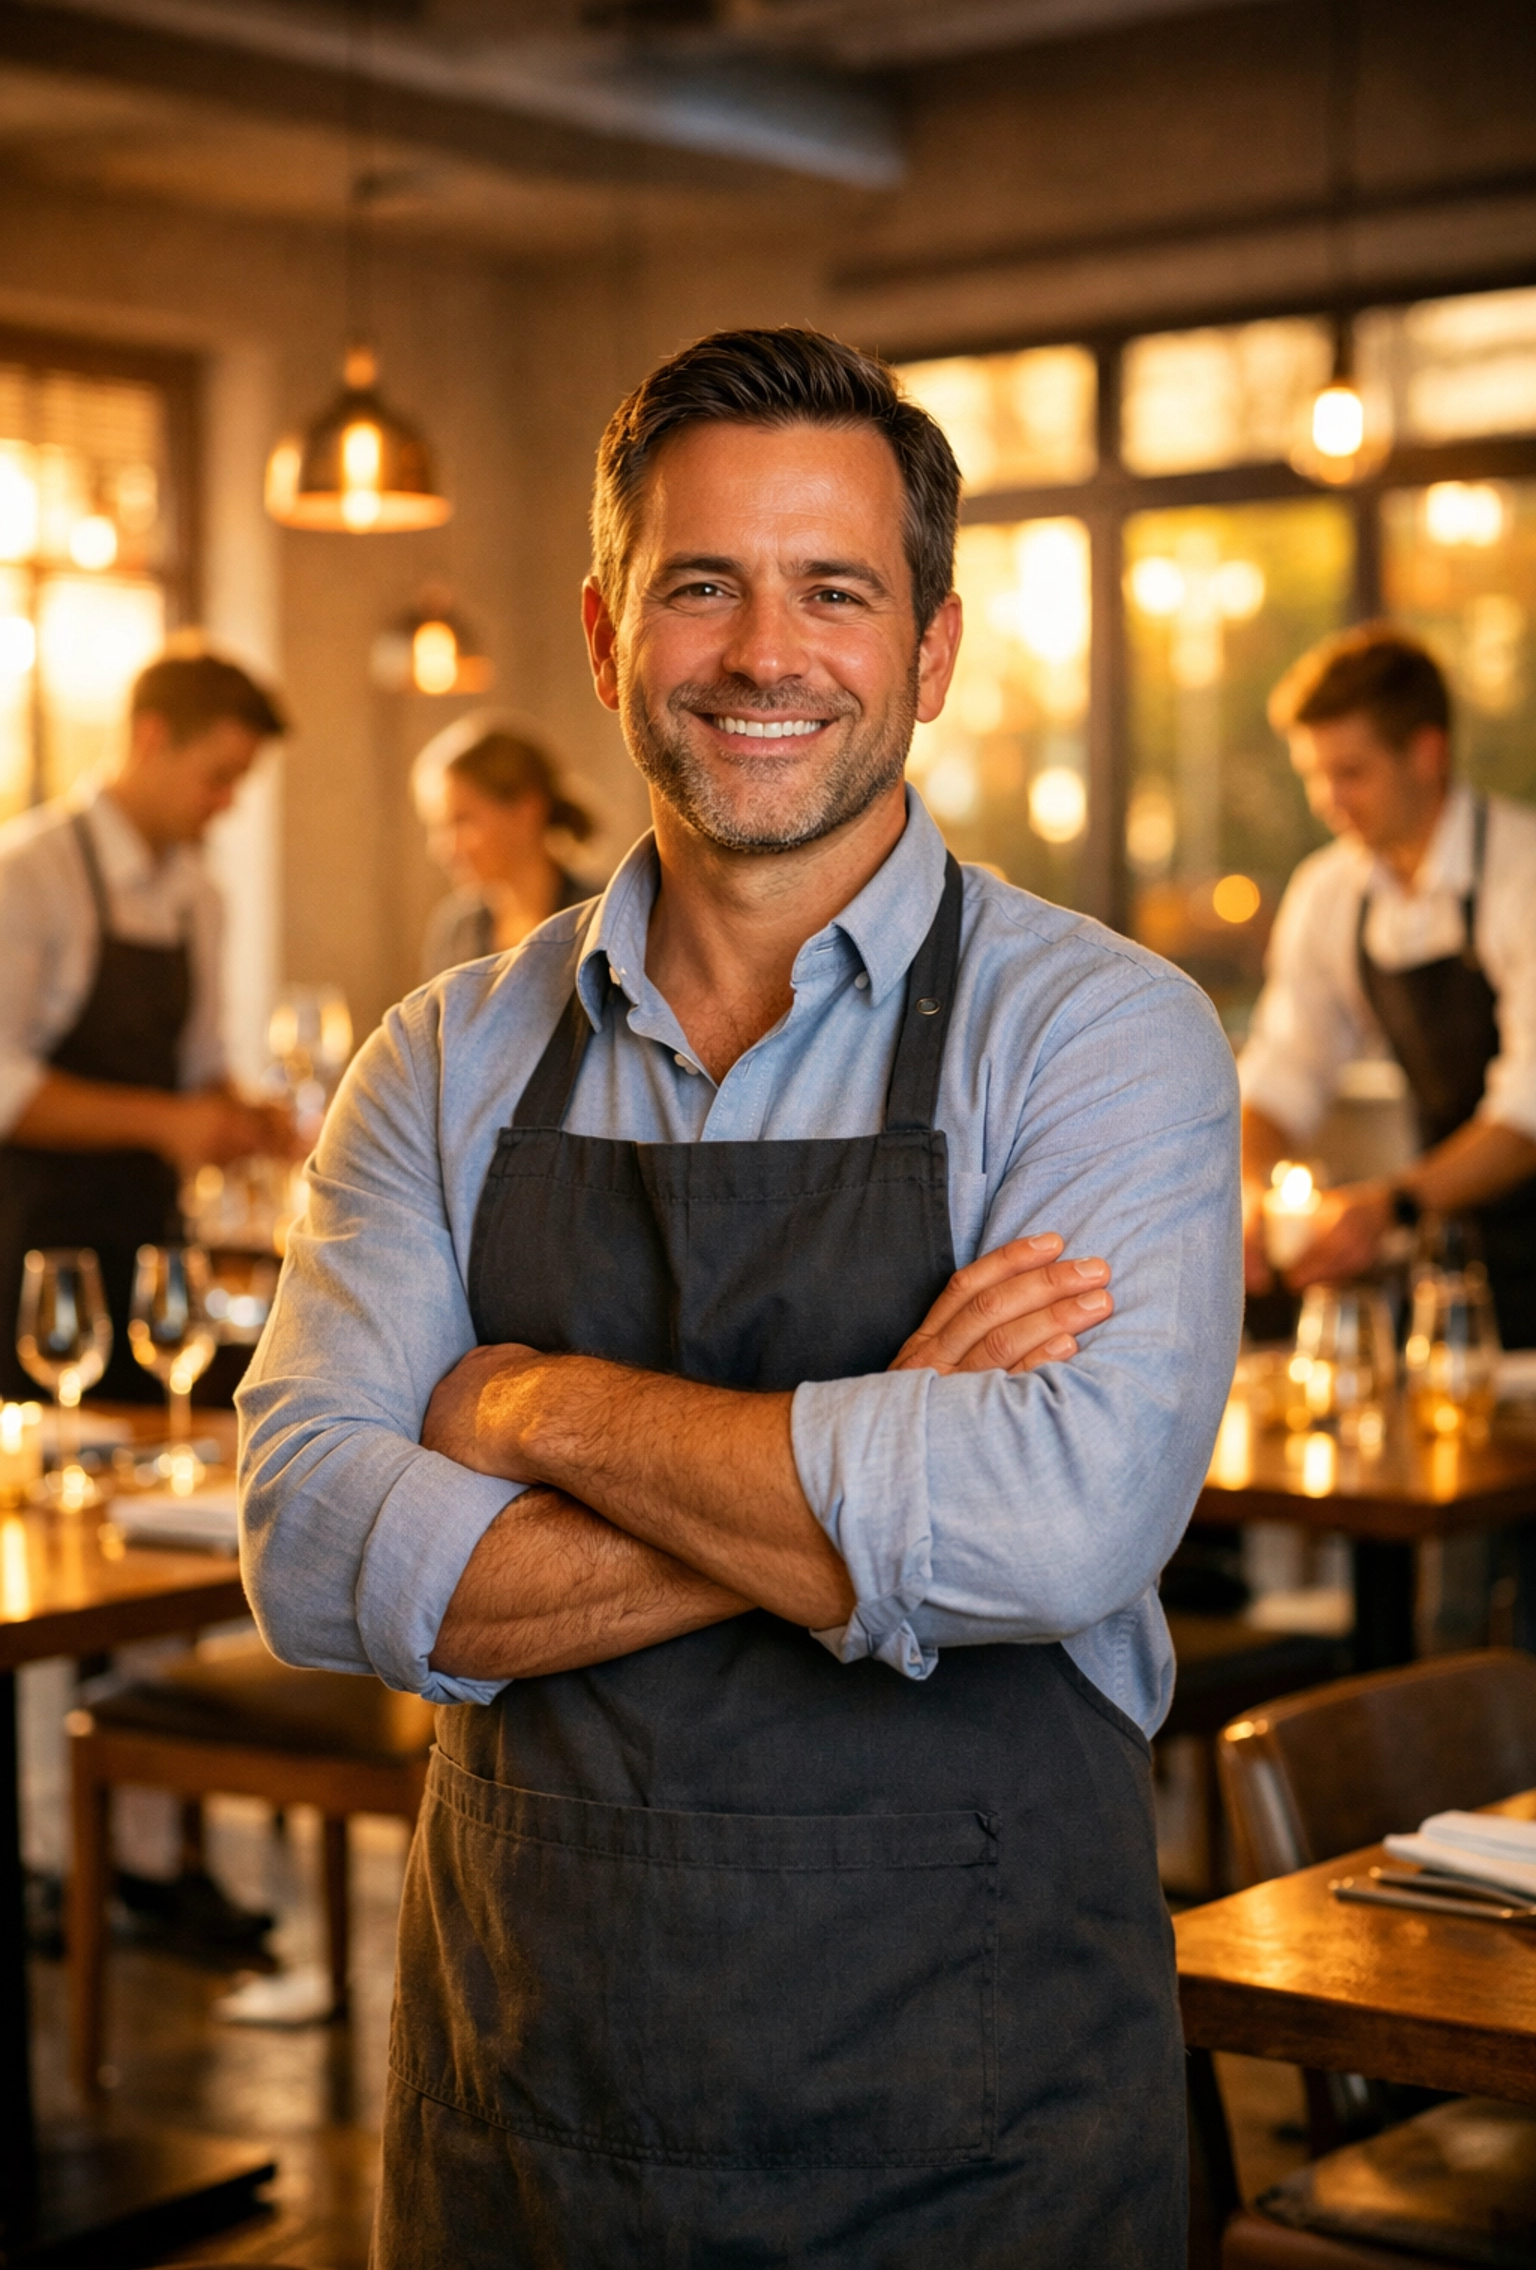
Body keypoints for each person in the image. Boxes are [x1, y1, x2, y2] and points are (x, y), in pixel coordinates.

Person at [241, 327, 1240, 2266]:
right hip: (531, 2117)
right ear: (607, 637)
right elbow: (310, 1546)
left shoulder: (1099, 1031)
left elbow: (1057, 1525)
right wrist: (889, 1442)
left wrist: (527, 1407)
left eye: (833, 591)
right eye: (701, 584)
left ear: (931, 653)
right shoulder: (440, 1057)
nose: (764, 652)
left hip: (980, 2137)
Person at [0, 648, 293, 1401]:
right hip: (26, 1250)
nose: (228, 802)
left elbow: (198, 1065)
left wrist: (247, 1119)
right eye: (218, 776)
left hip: (150, 1249)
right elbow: (4, 1085)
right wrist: (168, 1124)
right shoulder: (27, 874)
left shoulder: (201, 898)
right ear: (151, 737)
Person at [1240, 624, 1536, 1346]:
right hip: (1459, 1262)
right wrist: (1249, 1194)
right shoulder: (1329, 894)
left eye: (1350, 772)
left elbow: (1528, 1113)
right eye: (1314, 774)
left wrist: (1389, 1208)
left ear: (1427, 754)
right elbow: (1283, 1072)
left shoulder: (1523, 872)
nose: (1327, 799)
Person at [414, 712, 595, 979]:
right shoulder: (455, 932)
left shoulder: (600, 918)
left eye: (462, 821)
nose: (445, 848)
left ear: (527, 810)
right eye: (439, 827)